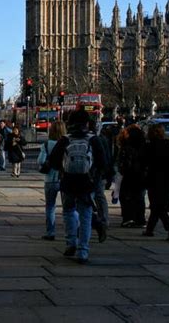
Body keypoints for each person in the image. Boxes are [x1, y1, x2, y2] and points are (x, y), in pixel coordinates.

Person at [49, 108, 106, 264]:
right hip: (87, 182)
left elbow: (53, 161)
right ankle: (83, 251)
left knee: (68, 211)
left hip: (68, 181)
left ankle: (71, 242)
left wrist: (62, 168)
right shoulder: (93, 139)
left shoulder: (65, 139)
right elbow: (102, 162)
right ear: (87, 123)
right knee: (86, 215)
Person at [142, 123, 169, 241]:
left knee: (157, 206)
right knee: (158, 205)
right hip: (167, 179)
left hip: (154, 179)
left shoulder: (149, 146)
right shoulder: (168, 144)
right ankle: (150, 229)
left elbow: (144, 163)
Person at [37, 120, 66, 240]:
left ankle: (51, 232)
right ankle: (71, 232)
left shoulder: (46, 145)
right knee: (68, 207)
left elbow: (41, 161)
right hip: (64, 178)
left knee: (50, 206)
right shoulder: (66, 143)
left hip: (50, 179)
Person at [117, 124, 147, 228]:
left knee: (125, 196)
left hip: (129, 175)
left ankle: (128, 218)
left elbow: (122, 163)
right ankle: (140, 218)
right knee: (139, 197)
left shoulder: (126, 147)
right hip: (141, 175)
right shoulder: (144, 146)